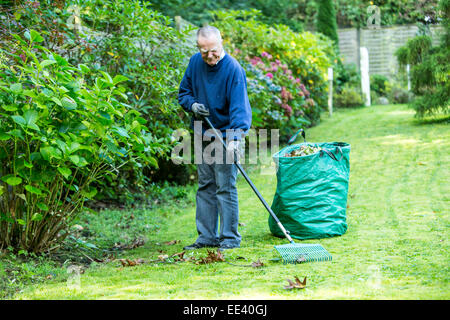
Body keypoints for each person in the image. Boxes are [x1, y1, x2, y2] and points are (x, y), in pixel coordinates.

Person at [178, 25, 252, 251]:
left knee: (225, 187)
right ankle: (206, 237)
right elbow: (184, 93)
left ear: (221, 44)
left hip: (227, 134)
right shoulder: (194, 63)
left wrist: (236, 139)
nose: (209, 56)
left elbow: (240, 110)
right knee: (206, 186)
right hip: (202, 134)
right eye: (203, 51)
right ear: (198, 48)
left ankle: (229, 238)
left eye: (213, 51)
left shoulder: (233, 69)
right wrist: (193, 105)